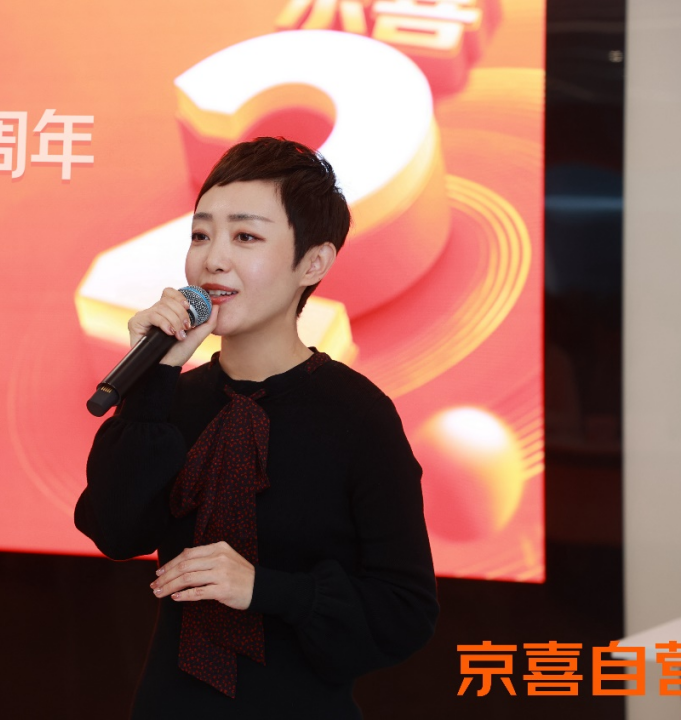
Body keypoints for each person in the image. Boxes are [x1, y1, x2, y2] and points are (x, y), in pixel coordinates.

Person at [74, 137, 438, 719]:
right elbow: (116, 533)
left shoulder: (358, 415)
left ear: (313, 262)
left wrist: (263, 589)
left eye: (245, 237)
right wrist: (154, 381)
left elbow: (405, 611)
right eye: (201, 235)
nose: (213, 259)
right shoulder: (171, 401)